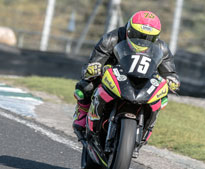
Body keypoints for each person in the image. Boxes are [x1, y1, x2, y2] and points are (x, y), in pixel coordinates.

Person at [72, 11, 180, 155]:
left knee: (162, 97)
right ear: (129, 30)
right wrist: (94, 68)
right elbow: (94, 62)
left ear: (156, 37)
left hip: (142, 80)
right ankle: (82, 116)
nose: (143, 40)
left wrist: (172, 80)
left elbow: (169, 73)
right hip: (112, 74)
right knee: (85, 86)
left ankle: (146, 130)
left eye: (149, 38)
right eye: (138, 35)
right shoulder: (111, 38)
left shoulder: (162, 48)